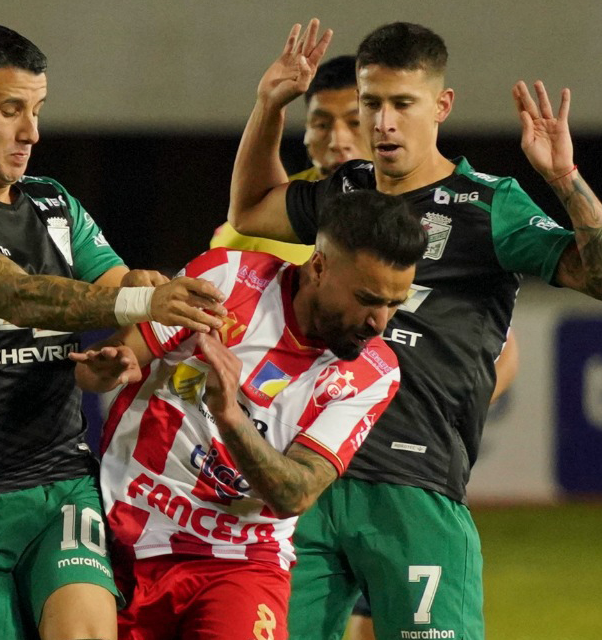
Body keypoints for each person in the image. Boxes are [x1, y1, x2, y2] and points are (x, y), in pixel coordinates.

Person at [229, 20, 602, 640]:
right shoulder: (345, 193)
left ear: (441, 106)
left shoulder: (490, 206)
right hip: (308, 477)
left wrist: (563, 178)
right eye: (372, 104)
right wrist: (268, 107)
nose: (383, 123)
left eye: (402, 104)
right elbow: (251, 209)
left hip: (414, 490)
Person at [0, 23, 226, 640]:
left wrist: (125, 333)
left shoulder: (54, 205)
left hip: (60, 484)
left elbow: (114, 287)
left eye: (36, 110)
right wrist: (143, 297)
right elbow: (14, 293)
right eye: (11, 110)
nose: (32, 132)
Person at [74, 189, 426, 640]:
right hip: (125, 534)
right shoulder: (227, 277)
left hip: (242, 561)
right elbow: (112, 367)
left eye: (393, 304)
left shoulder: (374, 373)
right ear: (318, 266)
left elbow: (294, 493)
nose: (379, 322)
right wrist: (109, 368)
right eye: (368, 298)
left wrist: (230, 416)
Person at [210, 55, 369, 265]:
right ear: (306, 133)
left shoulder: (422, 208)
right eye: (322, 125)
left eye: (355, 122)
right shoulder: (261, 223)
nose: (338, 142)